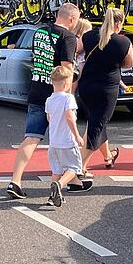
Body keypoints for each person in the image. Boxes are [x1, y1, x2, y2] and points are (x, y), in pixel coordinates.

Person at [6, 3, 79, 200]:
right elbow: (66, 69)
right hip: (56, 95)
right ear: (71, 19)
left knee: (31, 137)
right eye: (76, 21)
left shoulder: (38, 32)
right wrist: (69, 95)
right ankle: (68, 178)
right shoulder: (68, 37)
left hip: (36, 92)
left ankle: (15, 180)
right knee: (64, 139)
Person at [78, 8, 133, 174]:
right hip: (107, 88)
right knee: (96, 125)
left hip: (87, 86)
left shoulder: (88, 36)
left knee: (96, 121)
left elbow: (77, 50)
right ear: (118, 23)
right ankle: (78, 167)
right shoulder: (123, 42)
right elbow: (129, 64)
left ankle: (108, 157)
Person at [44, 66, 85, 207]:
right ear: (67, 83)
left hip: (53, 142)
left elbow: (49, 118)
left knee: (56, 169)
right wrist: (77, 136)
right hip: (67, 141)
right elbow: (69, 117)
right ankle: (59, 185)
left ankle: (52, 196)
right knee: (73, 167)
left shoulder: (49, 100)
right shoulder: (69, 98)